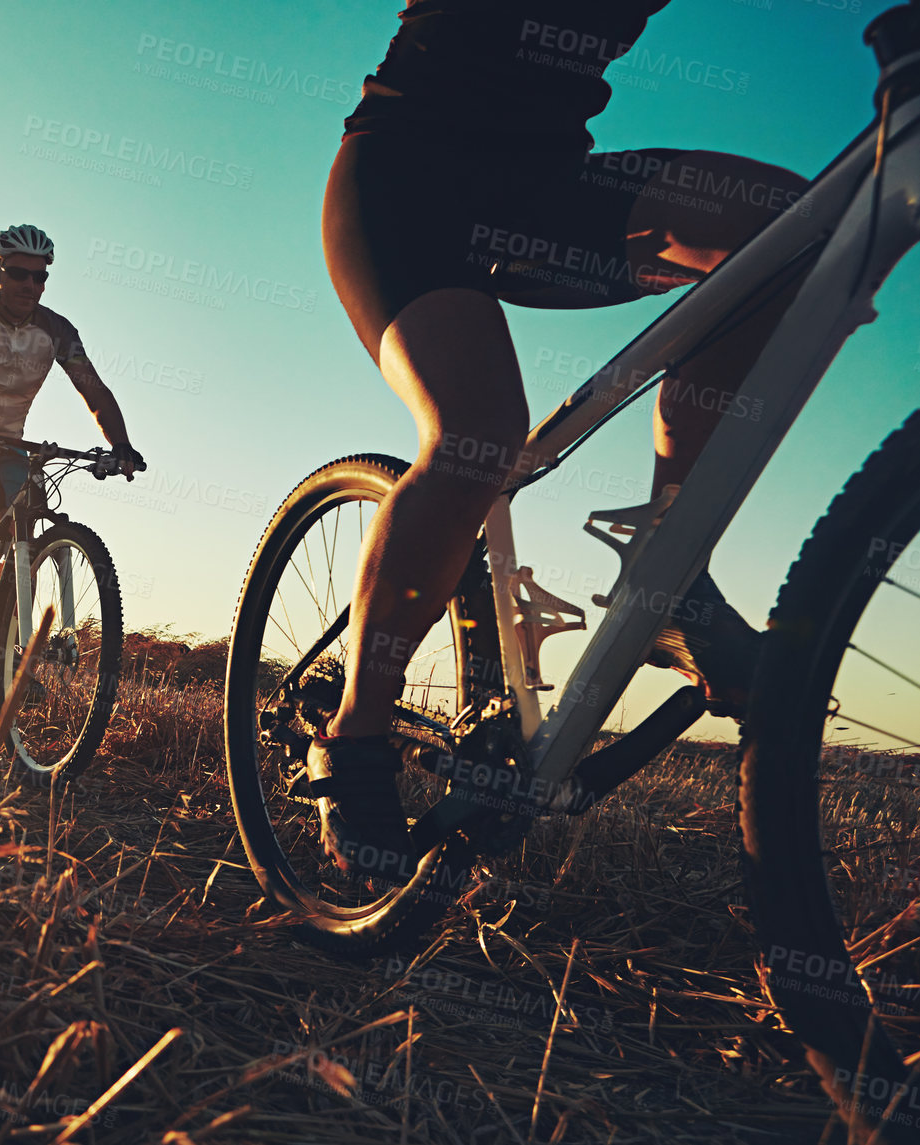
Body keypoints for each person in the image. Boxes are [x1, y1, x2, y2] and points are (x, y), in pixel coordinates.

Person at [312, 1, 810, 880]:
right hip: (401, 178)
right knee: (476, 435)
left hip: (543, 193)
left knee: (790, 228)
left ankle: (670, 561)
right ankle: (354, 734)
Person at [0, 224, 145, 656]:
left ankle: (2, 654)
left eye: (41, 277)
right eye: (20, 274)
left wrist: (122, 446)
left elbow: (93, 390)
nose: (31, 285)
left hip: (9, 447)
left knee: (24, 549)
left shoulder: (57, 330)